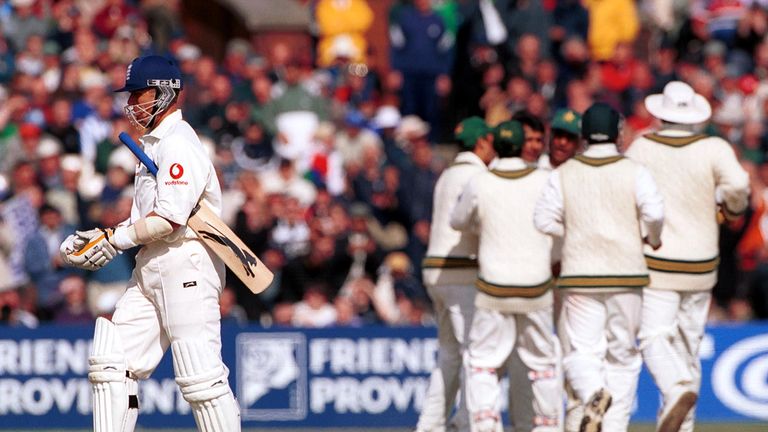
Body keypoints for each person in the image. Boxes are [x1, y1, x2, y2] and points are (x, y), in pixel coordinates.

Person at [58, 55, 241, 431]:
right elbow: (148, 216)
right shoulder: (154, 144)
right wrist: (105, 236)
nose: (131, 103)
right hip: (151, 265)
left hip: (186, 262)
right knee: (112, 362)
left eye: (138, 94)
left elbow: (171, 219)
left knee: (200, 378)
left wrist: (117, 240)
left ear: (164, 92)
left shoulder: (179, 145)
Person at [627, 81, 750, 432]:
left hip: (658, 263)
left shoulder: (643, 147)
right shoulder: (714, 147)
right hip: (701, 266)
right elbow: (739, 185)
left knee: (654, 337)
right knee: (687, 347)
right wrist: (731, 206)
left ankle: (675, 387)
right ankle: (684, 424)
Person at [535, 103, 664, 432]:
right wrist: (652, 237)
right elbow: (655, 213)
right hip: (627, 274)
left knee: (580, 352)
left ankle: (594, 393)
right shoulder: (634, 170)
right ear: (618, 134)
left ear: (583, 136)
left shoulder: (564, 173)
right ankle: (613, 427)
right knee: (622, 356)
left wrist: (576, 232)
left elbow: (542, 219)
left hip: (579, 274)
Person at [452, 120, 561, 432]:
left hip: (493, 287)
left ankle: (487, 424)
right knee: (542, 364)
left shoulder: (481, 181)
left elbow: (458, 221)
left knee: (483, 362)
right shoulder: (545, 179)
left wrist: (482, 225)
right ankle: (549, 426)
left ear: (496, 146)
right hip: (536, 287)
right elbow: (558, 222)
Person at [416, 116, 496, 432]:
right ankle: (471, 422)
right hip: (460, 272)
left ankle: (431, 424)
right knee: (474, 354)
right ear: (480, 143)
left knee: (449, 355)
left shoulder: (447, 174)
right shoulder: (478, 175)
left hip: (436, 271)